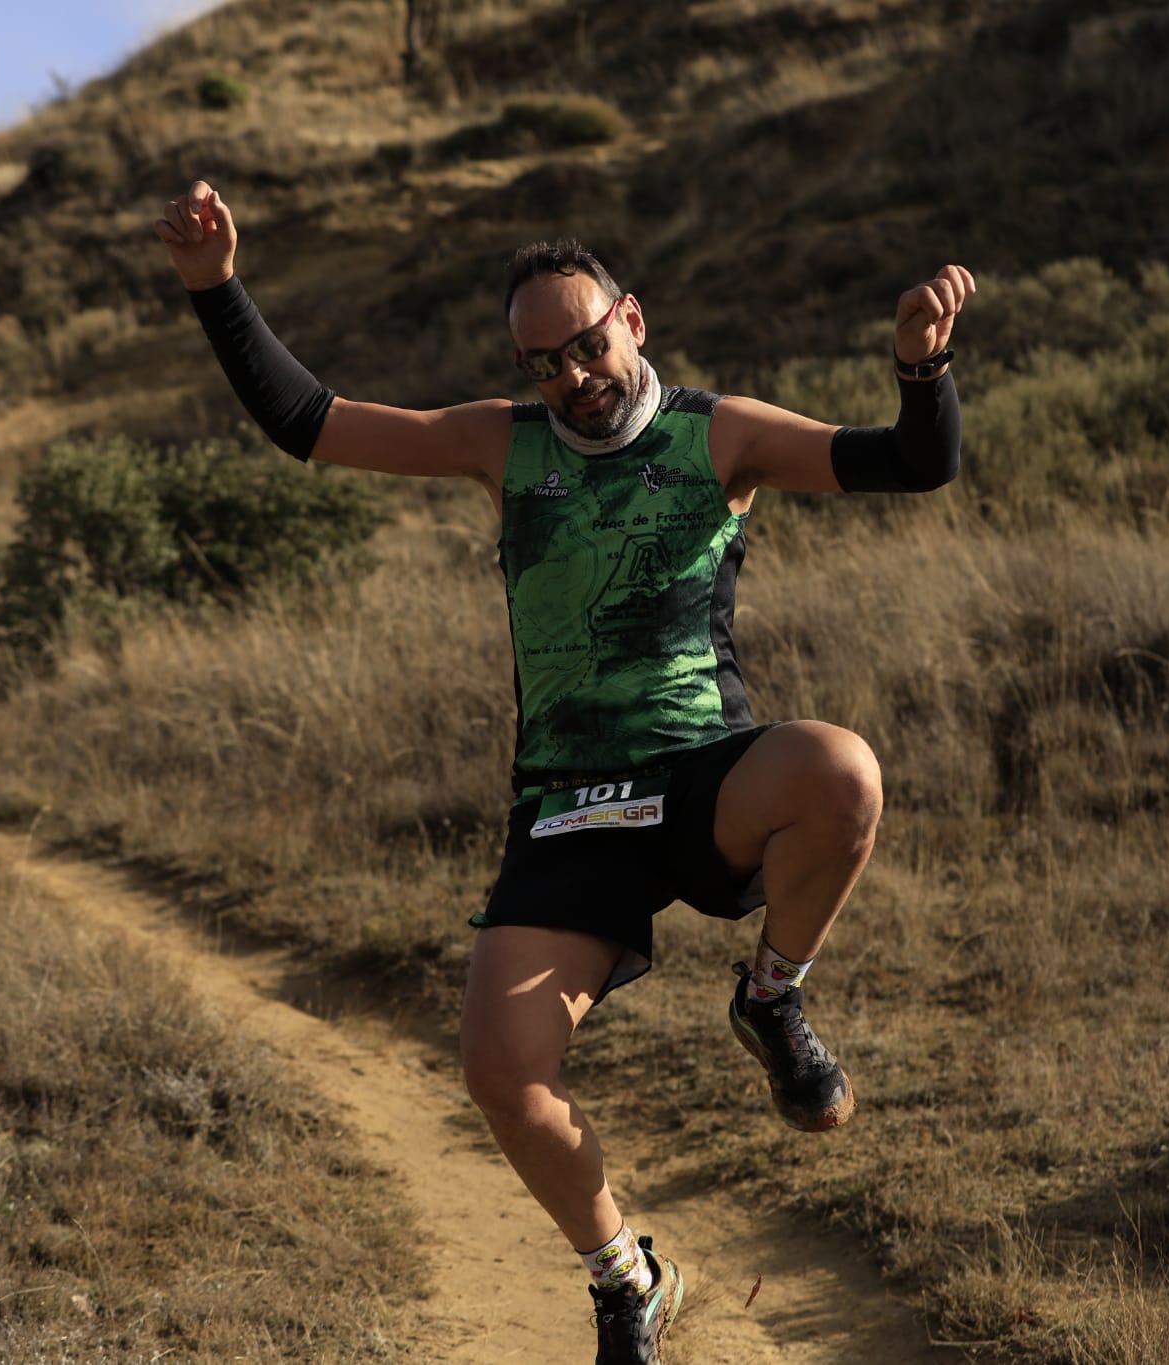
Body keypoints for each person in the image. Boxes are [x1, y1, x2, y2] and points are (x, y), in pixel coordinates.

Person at [155, 180, 970, 1364]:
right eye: (544, 362)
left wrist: (920, 369)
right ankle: (624, 1278)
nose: (573, 376)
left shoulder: (719, 432)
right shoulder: (501, 441)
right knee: (500, 1076)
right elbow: (309, 421)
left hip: (702, 774)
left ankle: (770, 998)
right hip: (570, 806)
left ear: (629, 321)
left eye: (587, 345)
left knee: (840, 770)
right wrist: (212, 286)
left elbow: (912, 465)